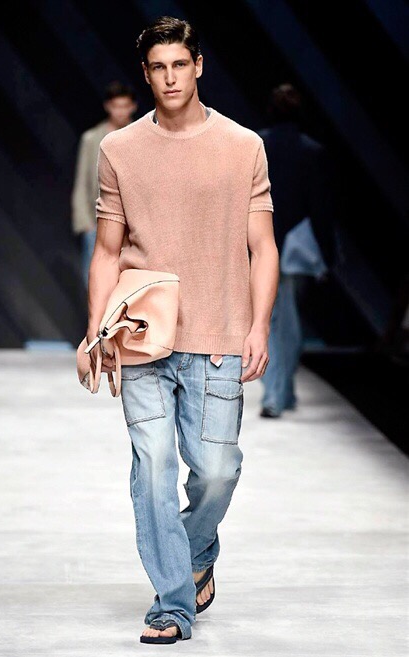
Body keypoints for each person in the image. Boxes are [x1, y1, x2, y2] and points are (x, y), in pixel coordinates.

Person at [85, 16, 279, 644]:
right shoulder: (120, 150)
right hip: (142, 334)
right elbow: (107, 251)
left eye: (179, 64)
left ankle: (194, 553)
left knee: (217, 471)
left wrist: (260, 325)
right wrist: (95, 331)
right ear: (146, 76)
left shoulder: (243, 146)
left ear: (198, 66)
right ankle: (173, 603)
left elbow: (263, 246)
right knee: (153, 468)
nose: (169, 77)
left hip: (220, 332)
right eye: (157, 68)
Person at [256, 83, 336, 418]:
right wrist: (327, 255)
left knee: (272, 320)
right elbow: (320, 209)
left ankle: (277, 394)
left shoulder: (256, 145)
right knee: (286, 321)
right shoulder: (311, 151)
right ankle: (281, 392)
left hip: (261, 244)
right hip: (294, 249)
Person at [71, 81, 137, 286]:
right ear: (108, 106)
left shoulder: (142, 137)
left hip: (134, 223)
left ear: (132, 107)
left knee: (131, 282)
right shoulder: (91, 139)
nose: (120, 112)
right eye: (116, 106)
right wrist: (85, 224)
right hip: (98, 221)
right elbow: (83, 181)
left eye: (124, 106)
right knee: (95, 282)